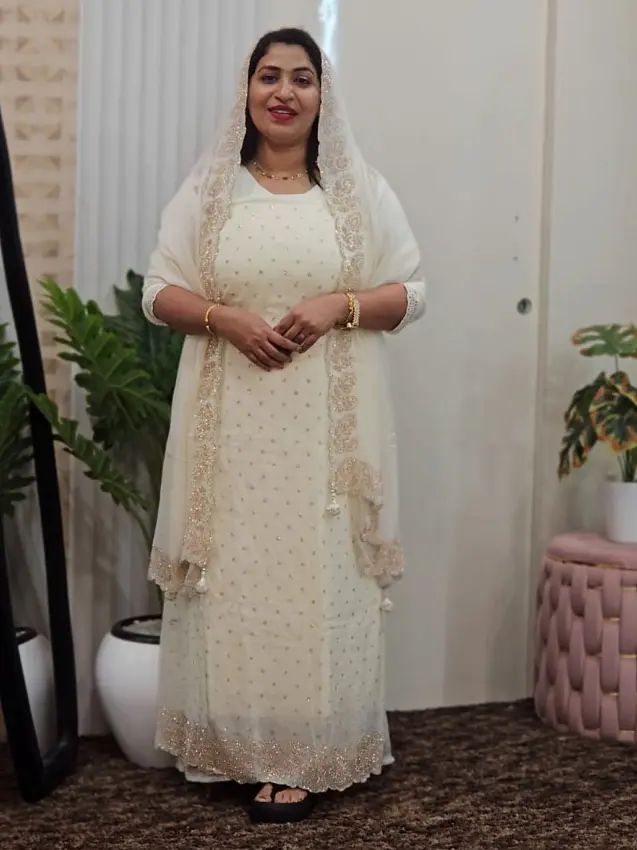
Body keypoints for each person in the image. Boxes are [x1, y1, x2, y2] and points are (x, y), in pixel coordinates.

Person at [141, 27, 426, 824]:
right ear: (247, 90)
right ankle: (235, 745)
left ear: (321, 98)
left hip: (327, 445)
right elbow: (158, 291)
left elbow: (411, 293)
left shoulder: (357, 193)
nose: (284, 92)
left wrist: (337, 305)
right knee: (237, 577)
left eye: (302, 78)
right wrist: (223, 317)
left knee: (319, 580)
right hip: (231, 433)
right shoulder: (210, 192)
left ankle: (309, 749)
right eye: (269, 76)